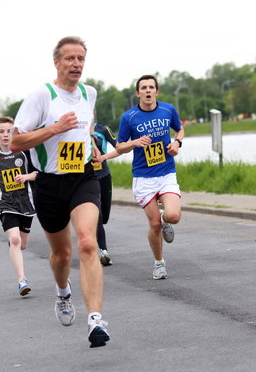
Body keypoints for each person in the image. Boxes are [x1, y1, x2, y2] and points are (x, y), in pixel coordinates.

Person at [10, 36, 110, 348]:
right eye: (70, 59)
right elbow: (16, 142)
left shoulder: (89, 93)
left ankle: (95, 319)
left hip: (83, 177)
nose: (76, 64)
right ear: (57, 62)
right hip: (50, 183)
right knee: (62, 254)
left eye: (81, 58)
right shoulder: (42, 96)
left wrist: (91, 146)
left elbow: (87, 125)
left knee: (87, 243)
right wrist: (54, 128)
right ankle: (63, 291)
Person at [116, 74, 184, 280]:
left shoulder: (168, 109)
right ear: (138, 93)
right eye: (143, 88)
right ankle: (159, 262)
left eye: (151, 87)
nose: (147, 91)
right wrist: (134, 143)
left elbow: (180, 129)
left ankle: (166, 221)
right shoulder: (129, 117)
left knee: (173, 216)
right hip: (143, 177)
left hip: (166, 173)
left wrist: (177, 143)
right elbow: (120, 146)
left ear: (156, 91)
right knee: (153, 225)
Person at [0, 116, 37, 297]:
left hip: (26, 203)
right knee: (16, 239)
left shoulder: (25, 154)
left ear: (14, 133)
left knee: (22, 244)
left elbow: (38, 173)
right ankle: (22, 281)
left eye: (9, 131)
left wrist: (27, 177)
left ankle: (14, 242)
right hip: (5, 203)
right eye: (1, 132)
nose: (5, 135)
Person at [92, 122, 120, 266]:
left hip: (104, 175)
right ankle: (103, 251)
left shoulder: (103, 129)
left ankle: (92, 229)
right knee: (97, 216)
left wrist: (104, 157)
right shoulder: (76, 130)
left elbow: (119, 147)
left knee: (104, 217)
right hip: (88, 179)